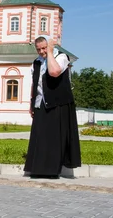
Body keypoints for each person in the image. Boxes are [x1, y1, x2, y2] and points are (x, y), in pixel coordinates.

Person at [24, 36, 81, 178]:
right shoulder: (36, 63)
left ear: (49, 46)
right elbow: (34, 83)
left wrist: (50, 53)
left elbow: (54, 72)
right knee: (40, 137)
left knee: (55, 138)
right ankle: (38, 169)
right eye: (39, 49)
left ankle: (52, 171)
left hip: (59, 103)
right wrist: (31, 103)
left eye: (44, 48)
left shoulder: (61, 57)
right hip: (41, 102)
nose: (41, 51)